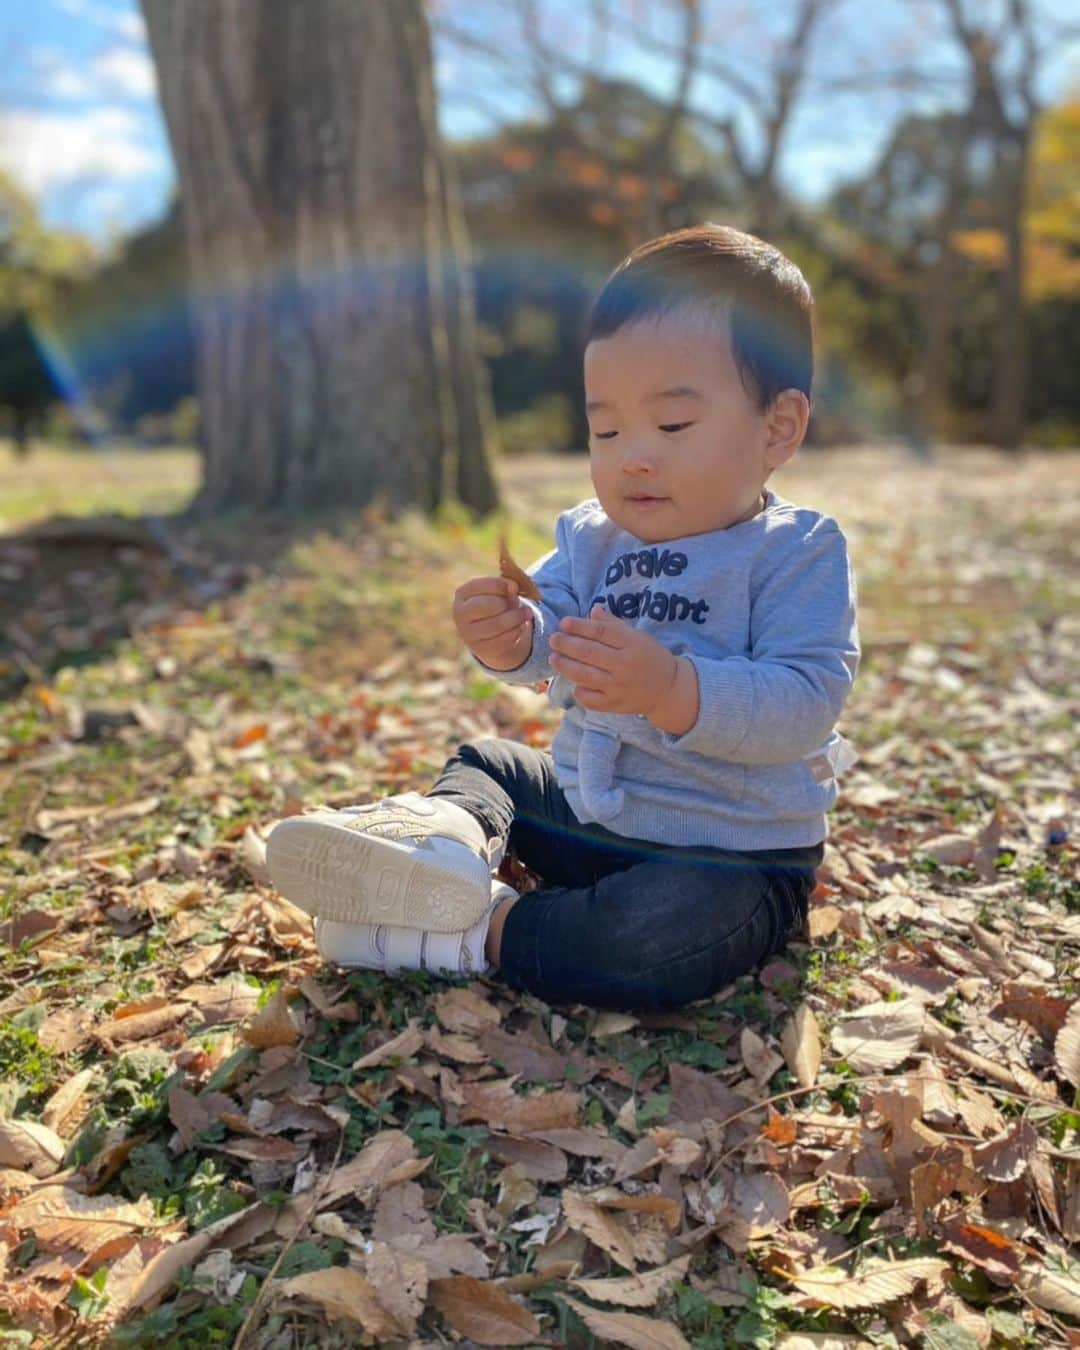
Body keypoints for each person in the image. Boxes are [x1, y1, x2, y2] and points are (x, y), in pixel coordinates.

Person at [266, 223, 860, 1012]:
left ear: (778, 427)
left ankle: (482, 928)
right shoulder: (591, 536)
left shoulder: (796, 551)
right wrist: (512, 640)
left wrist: (671, 687)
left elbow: (803, 703)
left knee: (648, 947)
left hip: (729, 855)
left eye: (672, 426)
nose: (631, 456)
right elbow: (550, 642)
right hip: (592, 814)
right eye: (605, 428)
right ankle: (443, 847)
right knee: (490, 760)